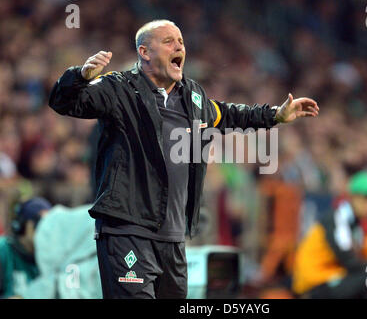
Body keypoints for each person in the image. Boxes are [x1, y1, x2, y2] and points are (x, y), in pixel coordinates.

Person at [48, 19, 319, 299]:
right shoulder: (118, 89)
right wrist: (79, 76)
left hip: (173, 237)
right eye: (168, 41)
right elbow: (63, 102)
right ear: (145, 52)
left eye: (181, 42)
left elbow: (229, 115)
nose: (179, 46)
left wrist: (275, 115)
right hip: (127, 230)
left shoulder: (194, 97)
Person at [292, 171, 367, 298]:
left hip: (334, 279)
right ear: (353, 198)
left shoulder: (355, 224)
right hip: (316, 284)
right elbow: (350, 262)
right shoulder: (337, 218)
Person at [0, 197, 51, 298]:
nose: (44, 231)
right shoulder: (3, 251)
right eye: (38, 223)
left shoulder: (52, 256)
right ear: (22, 225)